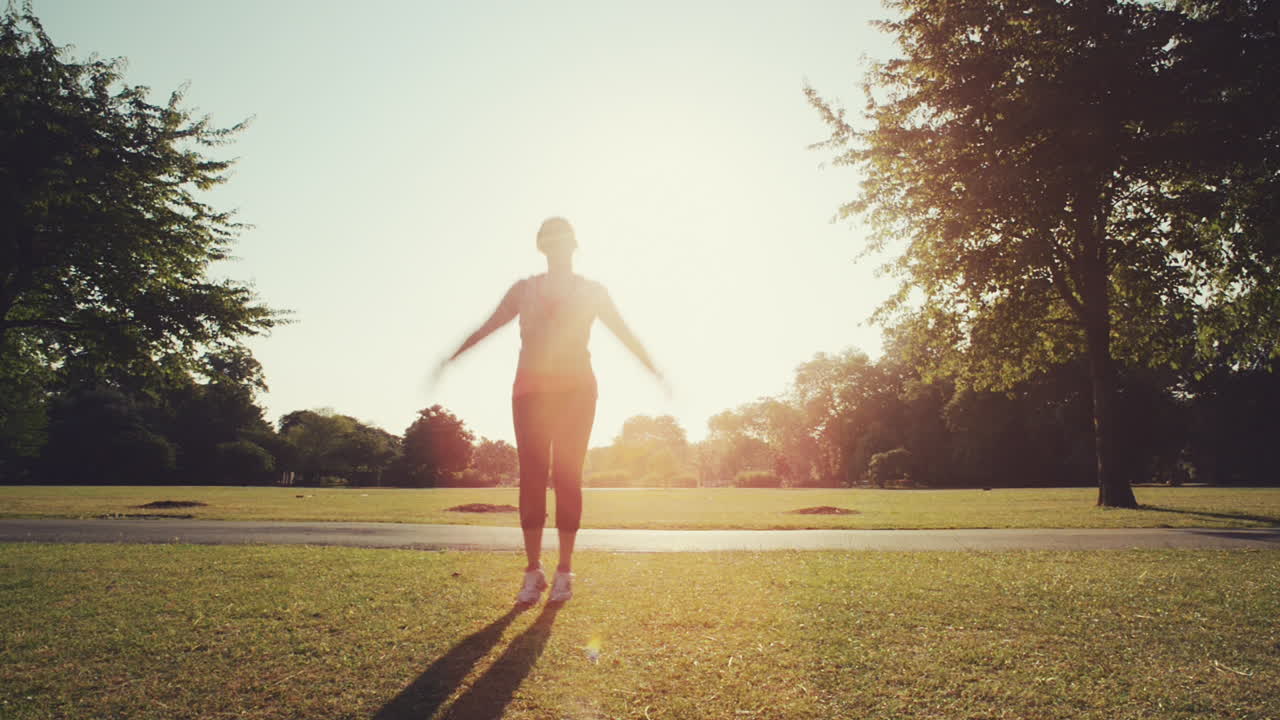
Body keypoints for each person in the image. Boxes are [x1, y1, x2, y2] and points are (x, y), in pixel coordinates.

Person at [436, 217, 665, 604]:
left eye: (563, 241)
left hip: (577, 392)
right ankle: (532, 571)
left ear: (574, 246)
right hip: (530, 393)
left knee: (568, 477)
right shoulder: (523, 290)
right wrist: (454, 355)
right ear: (542, 247)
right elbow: (489, 325)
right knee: (532, 477)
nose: (557, 247)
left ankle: (564, 571)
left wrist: (653, 368)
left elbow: (624, 332)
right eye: (550, 241)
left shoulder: (593, 291)